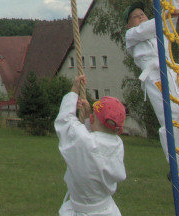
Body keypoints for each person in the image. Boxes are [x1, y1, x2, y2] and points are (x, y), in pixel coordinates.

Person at [124, 0, 179, 199]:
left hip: (174, 75)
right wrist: (166, 14)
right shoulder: (132, 36)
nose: (141, 17)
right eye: (136, 16)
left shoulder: (159, 32)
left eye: (143, 14)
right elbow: (159, 21)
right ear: (129, 24)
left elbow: (170, 18)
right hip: (156, 79)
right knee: (173, 118)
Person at [54, 74, 126, 216]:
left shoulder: (85, 142)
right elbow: (93, 145)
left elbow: (65, 121)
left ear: (93, 119)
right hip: (108, 210)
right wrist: (88, 118)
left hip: (81, 211)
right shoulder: (117, 145)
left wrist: (74, 90)